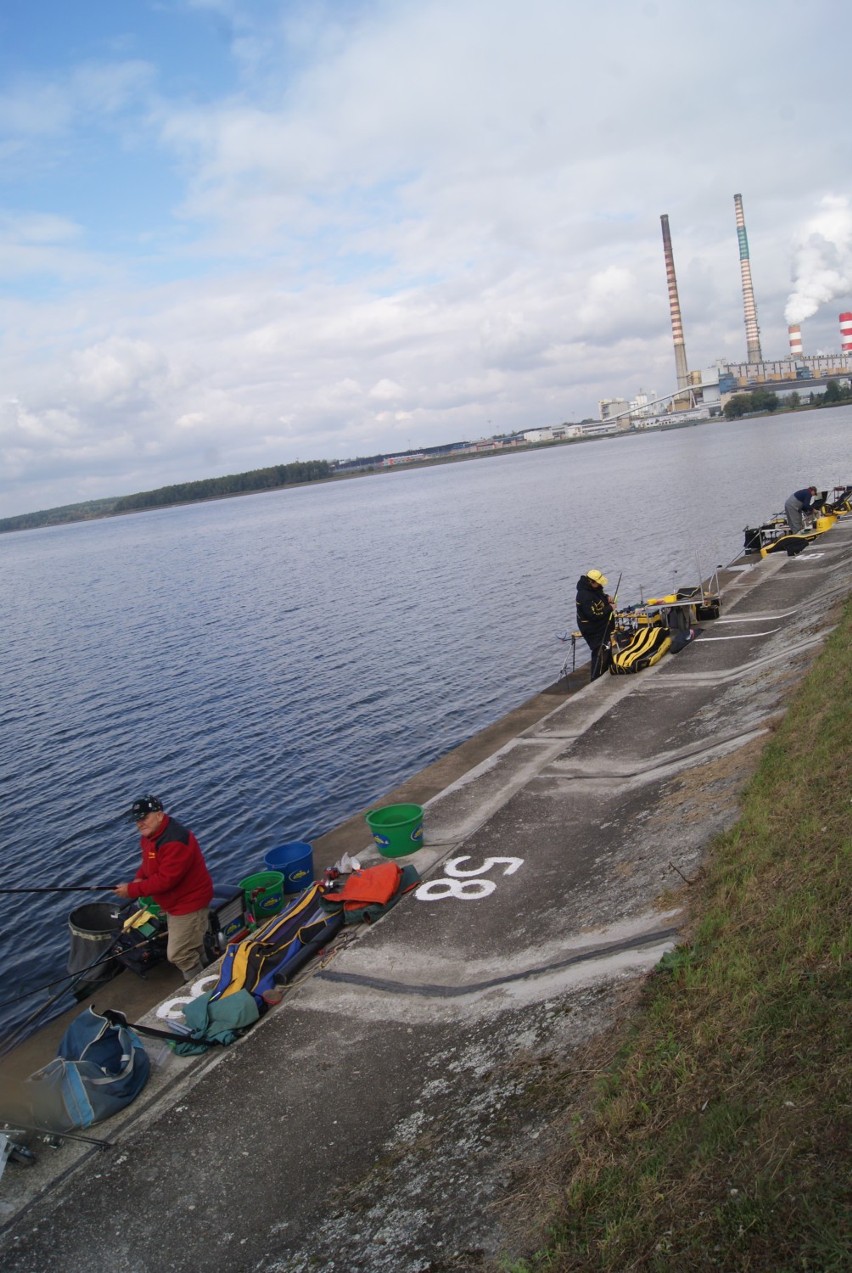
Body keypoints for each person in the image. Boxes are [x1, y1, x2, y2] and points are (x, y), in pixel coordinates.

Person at [115, 795, 214, 981]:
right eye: (137, 820)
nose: (139, 823)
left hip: (189, 904)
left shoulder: (176, 840)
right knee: (193, 944)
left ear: (159, 815)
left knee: (179, 954)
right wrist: (139, 878)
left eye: (144, 818)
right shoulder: (150, 837)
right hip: (174, 904)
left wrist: (131, 890)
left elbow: (165, 880)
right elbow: (149, 864)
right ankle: (208, 973)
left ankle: (197, 987)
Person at [576, 568, 615, 681]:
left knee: (607, 647)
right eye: (598, 583)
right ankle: (596, 677)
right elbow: (593, 615)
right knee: (599, 650)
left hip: (602, 626)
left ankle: (608, 668)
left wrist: (606, 598)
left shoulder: (594, 588)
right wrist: (609, 608)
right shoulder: (584, 596)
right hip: (592, 629)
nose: (600, 585)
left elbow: (598, 595)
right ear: (591, 581)